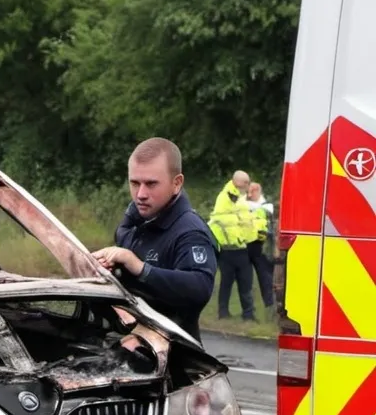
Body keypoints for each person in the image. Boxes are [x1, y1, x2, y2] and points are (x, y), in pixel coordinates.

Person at [92, 137, 217, 342]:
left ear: (176, 183)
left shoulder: (190, 232)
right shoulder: (136, 221)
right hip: (124, 343)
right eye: (135, 183)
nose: (140, 194)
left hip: (173, 357)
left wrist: (141, 268)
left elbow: (200, 287)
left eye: (151, 184)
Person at [208, 170, 257, 321]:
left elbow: (245, 221)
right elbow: (224, 221)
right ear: (237, 182)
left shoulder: (239, 198)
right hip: (228, 249)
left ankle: (247, 314)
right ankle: (224, 313)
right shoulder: (227, 197)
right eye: (246, 182)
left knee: (245, 282)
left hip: (241, 248)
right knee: (227, 283)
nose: (248, 185)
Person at [245, 180, 275, 312]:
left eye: (252, 191)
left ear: (257, 191)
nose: (249, 194)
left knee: (265, 276)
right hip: (246, 244)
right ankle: (249, 309)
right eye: (248, 191)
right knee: (246, 278)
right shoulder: (245, 205)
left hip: (261, 245)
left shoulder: (267, 207)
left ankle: (269, 304)